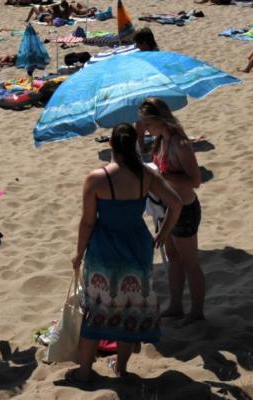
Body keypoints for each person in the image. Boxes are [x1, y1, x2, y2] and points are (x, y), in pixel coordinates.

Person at [71, 124, 182, 381]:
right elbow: (175, 203)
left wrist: (78, 253)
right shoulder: (146, 175)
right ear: (134, 144)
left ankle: (85, 373)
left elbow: (87, 222)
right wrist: (164, 234)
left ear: (110, 143)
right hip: (137, 245)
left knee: (96, 311)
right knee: (128, 311)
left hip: (104, 248)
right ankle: (121, 369)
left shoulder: (97, 178)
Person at [136, 98, 205, 324]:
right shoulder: (160, 140)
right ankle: (176, 305)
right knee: (174, 259)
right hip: (167, 208)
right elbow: (144, 152)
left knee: (190, 263)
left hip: (184, 209)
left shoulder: (180, 144)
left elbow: (195, 180)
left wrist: (160, 175)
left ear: (159, 119)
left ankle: (196, 311)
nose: (146, 128)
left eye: (147, 123)